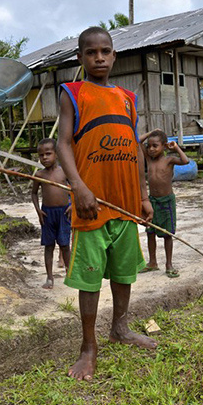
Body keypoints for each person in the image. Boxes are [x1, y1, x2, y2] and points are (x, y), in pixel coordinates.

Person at [57, 26, 157, 382]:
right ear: (80, 58)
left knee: (123, 271)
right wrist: (78, 186)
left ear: (114, 55)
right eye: (91, 53)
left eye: (105, 51)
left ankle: (120, 329)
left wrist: (143, 196)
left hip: (126, 203)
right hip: (91, 204)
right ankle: (88, 347)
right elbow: (63, 144)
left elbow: (135, 149)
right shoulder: (73, 93)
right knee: (90, 279)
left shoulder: (127, 98)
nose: (99, 58)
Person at [138, 129, 189, 278]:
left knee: (167, 234)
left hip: (166, 201)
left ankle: (169, 264)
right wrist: (151, 132)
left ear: (164, 146)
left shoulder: (169, 160)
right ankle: (152, 262)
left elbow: (185, 161)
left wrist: (176, 147)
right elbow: (137, 141)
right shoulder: (148, 158)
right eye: (150, 146)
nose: (151, 149)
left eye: (155, 146)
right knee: (150, 232)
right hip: (152, 200)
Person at [31, 138, 72, 289]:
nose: (45, 158)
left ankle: (69, 273)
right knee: (48, 246)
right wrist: (38, 210)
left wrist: (72, 204)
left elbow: (75, 187)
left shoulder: (64, 171)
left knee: (64, 245)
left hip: (63, 213)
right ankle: (49, 277)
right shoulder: (39, 174)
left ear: (57, 154)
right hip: (47, 214)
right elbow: (34, 194)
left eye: (48, 154)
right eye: (41, 155)